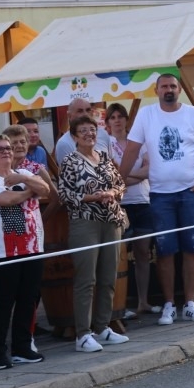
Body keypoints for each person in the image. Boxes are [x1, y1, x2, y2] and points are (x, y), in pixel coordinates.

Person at [119, 73, 194, 327]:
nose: (169, 90)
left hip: (191, 192)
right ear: (157, 90)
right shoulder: (146, 114)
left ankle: (191, 303)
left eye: (173, 86)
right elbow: (131, 149)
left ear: (180, 89)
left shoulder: (193, 114)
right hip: (160, 193)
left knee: (192, 248)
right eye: (164, 86)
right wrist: (117, 180)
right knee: (164, 250)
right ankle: (169, 304)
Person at [58, 115, 130, 353]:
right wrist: (92, 197)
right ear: (75, 136)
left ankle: (102, 326)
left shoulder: (106, 157)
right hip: (85, 221)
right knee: (86, 279)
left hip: (111, 221)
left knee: (108, 277)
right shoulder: (69, 161)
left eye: (92, 129)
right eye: (84, 131)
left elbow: (121, 184)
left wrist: (112, 192)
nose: (89, 134)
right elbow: (64, 194)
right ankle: (83, 334)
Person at [0, 134, 48, 369]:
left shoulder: (23, 174)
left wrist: (23, 180)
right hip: (3, 252)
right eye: (0, 149)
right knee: (3, 302)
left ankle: (22, 346)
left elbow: (46, 189)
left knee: (28, 299)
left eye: (8, 148)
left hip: (33, 246)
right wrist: (30, 190)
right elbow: (6, 199)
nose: (6, 151)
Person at [105, 103, 155, 316]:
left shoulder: (139, 143)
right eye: (113, 117)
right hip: (121, 205)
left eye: (120, 116)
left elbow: (147, 171)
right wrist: (127, 177)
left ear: (127, 120)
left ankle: (143, 301)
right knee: (120, 256)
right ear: (108, 122)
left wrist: (124, 177)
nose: (117, 120)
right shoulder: (106, 145)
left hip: (142, 202)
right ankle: (120, 305)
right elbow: (111, 176)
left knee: (143, 253)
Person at [54, 99, 111, 165]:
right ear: (69, 116)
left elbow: (112, 164)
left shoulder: (103, 134)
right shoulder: (64, 143)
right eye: (80, 111)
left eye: (88, 110)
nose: (85, 114)